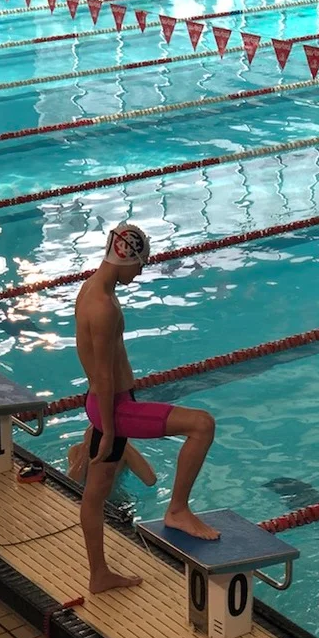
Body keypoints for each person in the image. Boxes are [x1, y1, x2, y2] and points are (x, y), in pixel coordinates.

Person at [74, 222, 219, 594]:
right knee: (202, 425)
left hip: (104, 404)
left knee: (95, 492)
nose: (139, 273)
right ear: (126, 257)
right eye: (141, 265)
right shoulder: (103, 306)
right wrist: (109, 430)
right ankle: (178, 510)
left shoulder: (90, 288)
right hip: (114, 408)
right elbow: (104, 375)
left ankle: (99, 575)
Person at [67, 425, 156, 488]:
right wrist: (87, 447)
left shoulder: (123, 452)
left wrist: (123, 443)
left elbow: (151, 480)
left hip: (117, 503)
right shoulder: (77, 450)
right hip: (82, 498)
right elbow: (70, 484)